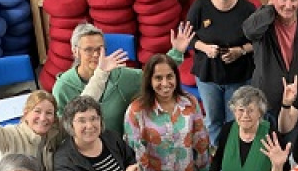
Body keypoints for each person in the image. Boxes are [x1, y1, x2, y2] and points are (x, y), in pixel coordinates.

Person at [53, 22, 193, 135]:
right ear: (75, 51)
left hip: (121, 150)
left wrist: (177, 52)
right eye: (89, 49)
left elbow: (152, 75)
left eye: (100, 49)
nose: (96, 55)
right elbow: (60, 129)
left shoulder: (121, 75)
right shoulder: (63, 86)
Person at [187, 0, 256, 145]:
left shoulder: (247, 9)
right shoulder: (200, 7)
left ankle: (232, 160)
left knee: (235, 122)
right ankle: (216, 163)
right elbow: (187, 37)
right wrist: (205, 47)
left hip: (239, 77)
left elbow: (259, 43)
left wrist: (240, 51)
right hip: (208, 76)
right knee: (213, 121)